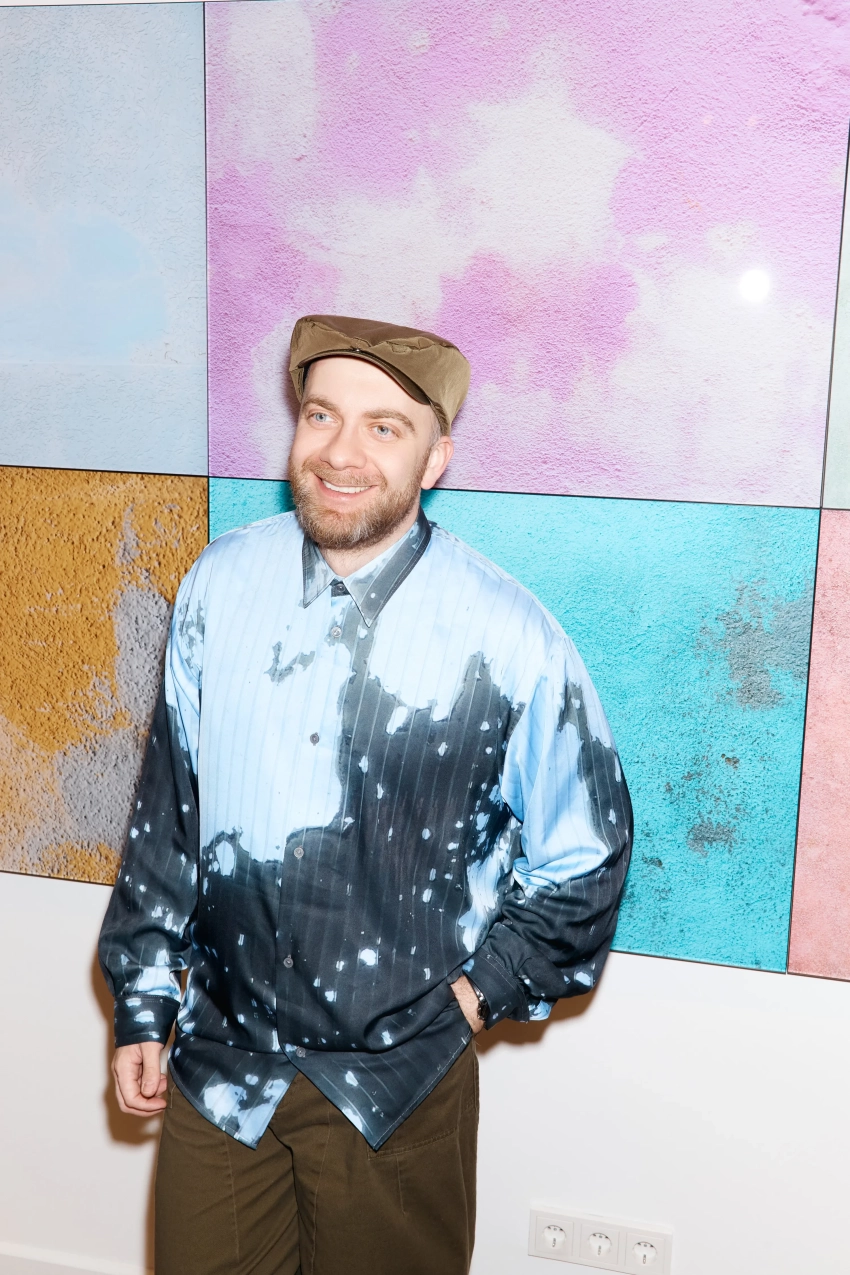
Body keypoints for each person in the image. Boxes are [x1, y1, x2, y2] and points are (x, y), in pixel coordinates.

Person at [99, 314, 632, 1275]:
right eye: (321, 415)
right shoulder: (217, 586)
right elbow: (169, 813)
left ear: (436, 458)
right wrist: (144, 996)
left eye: (385, 427)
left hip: (394, 1092)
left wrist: (470, 1002)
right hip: (220, 1072)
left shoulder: (509, 636)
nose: (341, 453)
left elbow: (586, 856)